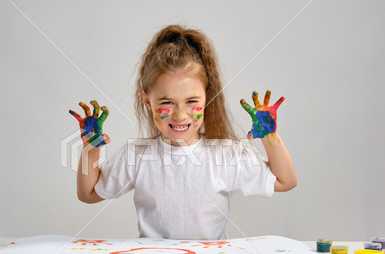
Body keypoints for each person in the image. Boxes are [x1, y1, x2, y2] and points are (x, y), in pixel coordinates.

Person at [69, 25, 297, 240]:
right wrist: (91, 148)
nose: (180, 115)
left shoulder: (226, 154)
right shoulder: (136, 155)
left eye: (191, 101)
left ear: (207, 97)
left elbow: (286, 181)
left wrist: (269, 137)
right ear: (147, 101)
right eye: (167, 102)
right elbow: (88, 194)